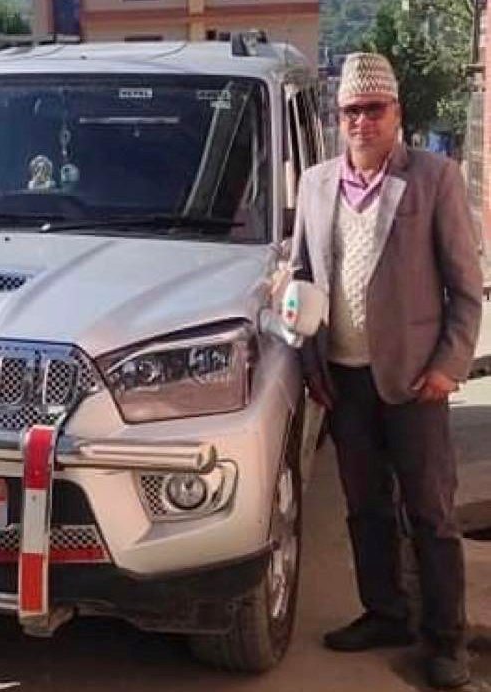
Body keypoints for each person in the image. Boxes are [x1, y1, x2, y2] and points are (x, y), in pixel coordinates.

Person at [292, 52, 483, 689]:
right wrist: (308, 357)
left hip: (416, 382)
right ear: (338, 115)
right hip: (344, 381)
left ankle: (447, 639)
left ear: (396, 113)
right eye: (351, 110)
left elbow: (466, 290)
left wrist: (449, 366)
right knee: (365, 506)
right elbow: (302, 278)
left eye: (374, 109)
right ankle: (385, 613)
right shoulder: (315, 184)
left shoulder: (434, 178)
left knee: (431, 513)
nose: (362, 122)